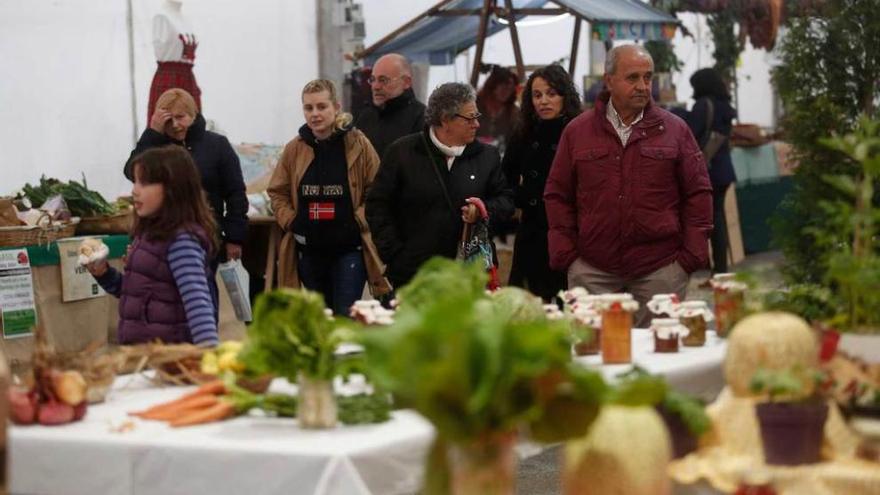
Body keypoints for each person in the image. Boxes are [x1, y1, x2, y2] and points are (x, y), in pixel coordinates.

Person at [544, 44, 713, 326]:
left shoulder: (674, 130)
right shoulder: (578, 131)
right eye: (632, 78)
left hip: (661, 269)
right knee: (593, 355)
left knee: (662, 359)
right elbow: (557, 194)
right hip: (592, 269)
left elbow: (698, 192)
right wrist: (568, 256)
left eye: (648, 78)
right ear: (608, 81)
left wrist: (689, 258)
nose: (643, 86)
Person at [366, 82, 514, 289]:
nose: (477, 124)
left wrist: (483, 211)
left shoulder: (487, 157)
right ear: (445, 120)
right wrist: (395, 255)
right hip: (414, 276)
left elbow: (506, 200)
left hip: (471, 274)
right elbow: (377, 206)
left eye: (476, 116)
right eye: (469, 118)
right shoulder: (402, 153)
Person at [267, 79, 391, 315]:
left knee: (345, 317)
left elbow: (378, 191)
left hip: (348, 250)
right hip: (309, 252)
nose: (315, 114)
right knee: (319, 319)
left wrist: (357, 221)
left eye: (322, 107)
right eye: (308, 108)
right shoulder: (294, 149)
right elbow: (277, 191)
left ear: (336, 107)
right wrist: (291, 221)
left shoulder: (358, 144)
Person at [87, 146, 219, 346]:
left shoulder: (182, 241)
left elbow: (197, 303)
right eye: (135, 181)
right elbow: (136, 293)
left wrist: (208, 357)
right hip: (142, 356)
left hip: (170, 358)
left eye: (145, 183)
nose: (135, 190)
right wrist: (104, 274)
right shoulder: (148, 236)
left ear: (173, 189)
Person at [125, 88, 248, 265]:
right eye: (168, 119)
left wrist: (234, 237)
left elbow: (235, 193)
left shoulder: (216, 145)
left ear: (193, 114)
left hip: (208, 239)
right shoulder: (157, 147)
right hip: (162, 237)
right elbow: (132, 171)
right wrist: (152, 134)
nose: (175, 125)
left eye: (181, 117)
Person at [503, 65, 582, 302]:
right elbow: (504, 178)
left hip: (570, 230)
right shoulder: (523, 132)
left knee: (566, 306)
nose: (543, 101)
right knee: (525, 305)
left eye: (551, 94)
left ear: (565, 96)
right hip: (531, 230)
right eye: (537, 95)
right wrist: (525, 197)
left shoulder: (579, 131)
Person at [685, 67, 738, 274]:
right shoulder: (724, 106)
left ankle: (718, 271)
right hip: (724, 168)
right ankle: (720, 270)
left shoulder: (703, 105)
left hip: (709, 170)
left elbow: (691, 131)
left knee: (711, 221)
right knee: (718, 219)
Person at [355, 53, 426, 159]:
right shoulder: (365, 118)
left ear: (406, 82)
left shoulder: (423, 119)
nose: (375, 87)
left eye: (383, 80)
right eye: (373, 80)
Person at [476, 66, 520, 149]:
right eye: (503, 87)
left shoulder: (513, 112)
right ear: (493, 86)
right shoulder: (474, 107)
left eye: (510, 89)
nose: (507, 92)